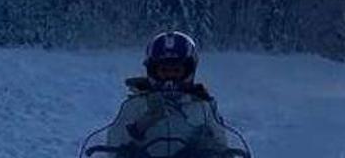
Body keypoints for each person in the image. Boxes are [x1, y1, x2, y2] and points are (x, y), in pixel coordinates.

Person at [91, 32, 245, 158]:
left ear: (188, 71)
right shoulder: (136, 104)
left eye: (176, 71)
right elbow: (114, 145)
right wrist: (140, 126)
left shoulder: (201, 105)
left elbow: (222, 144)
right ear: (153, 70)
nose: (170, 77)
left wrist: (209, 144)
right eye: (164, 71)